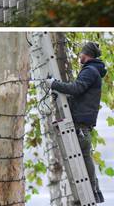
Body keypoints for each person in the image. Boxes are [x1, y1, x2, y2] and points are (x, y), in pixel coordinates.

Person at [47, 41, 107, 204]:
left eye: (81, 53)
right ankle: (94, 193)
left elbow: (76, 88)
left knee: (85, 161)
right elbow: (79, 92)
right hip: (83, 125)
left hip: (80, 126)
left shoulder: (90, 71)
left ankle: (92, 193)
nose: (79, 55)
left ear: (86, 55)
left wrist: (54, 84)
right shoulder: (93, 70)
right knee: (85, 159)